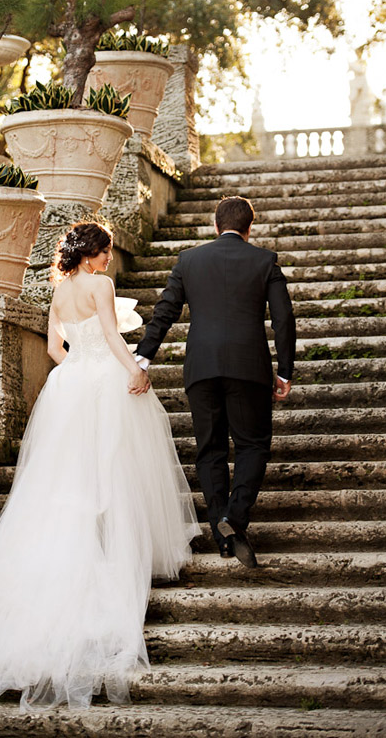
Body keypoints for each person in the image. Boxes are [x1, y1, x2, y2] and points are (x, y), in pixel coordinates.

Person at [0, 222, 199, 715]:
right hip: (103, 380)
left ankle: (87, 551)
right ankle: (113, 553)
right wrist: (134, 371)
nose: (108, 261)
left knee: (70, 477)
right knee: (113, 468)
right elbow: (109, 334)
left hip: (71, 385)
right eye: (105, 253)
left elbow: (54, 350)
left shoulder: (60, 293)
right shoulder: (100, 285)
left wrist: (77, 371)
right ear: (91, 256)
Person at [136, 196, 296, 569]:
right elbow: (284, 318)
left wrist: (142, 358)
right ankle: (233, 520)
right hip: (248, 367)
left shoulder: (189, 261)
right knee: (252, 445)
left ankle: (222, 535)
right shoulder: (264, 260)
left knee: (209, 450)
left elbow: (166, 310)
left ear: (215, 223)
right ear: (249, 227)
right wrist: (285, 370)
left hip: (202, 368)